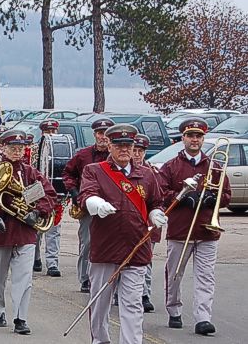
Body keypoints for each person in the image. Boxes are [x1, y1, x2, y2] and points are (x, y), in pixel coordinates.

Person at [78, 124, 166, 344]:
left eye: (128, 145)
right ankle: (100, 339)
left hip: (136, 248)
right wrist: (96, 204)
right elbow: (86, 195)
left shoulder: (146, 174)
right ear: (109, 145)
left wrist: (156, 214)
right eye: (119, 145)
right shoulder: (94, 170)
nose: (125, 150)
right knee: (100, 302)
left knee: (133, 304)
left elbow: (156, 201)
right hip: (105, 248)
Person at [0, 129, 57, 334]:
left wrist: (38, 212)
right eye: (13, 148)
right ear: (3, 148)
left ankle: (20, 318)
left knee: (24, 278)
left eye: (20, 148)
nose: (17, 151)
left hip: (25, 232)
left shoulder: (31, 173)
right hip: (1, 231)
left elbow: (49, 194)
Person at [159, 118, 230, 336]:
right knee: (175, 273)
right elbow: (161, 194)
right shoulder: (171, 166)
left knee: (206, 276)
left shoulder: (215, 165)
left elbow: (226, 195)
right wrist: (182, 198)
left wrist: (211, 198)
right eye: (191, 136)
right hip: (180, 230)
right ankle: (174, 310)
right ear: (183, 138)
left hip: (207, 230)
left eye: (198, 136)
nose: (195, 140)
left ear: (203, 139)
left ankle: (203, 318)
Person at [62, 118, 114, 293]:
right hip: (87, 206)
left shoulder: (117, 156)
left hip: (112, 206)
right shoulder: (82, 155)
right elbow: (68, 174)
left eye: (107, 134)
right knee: (88, 242)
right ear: (94, 135)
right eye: (100, 133)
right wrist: (74, 193)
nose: (103, 137)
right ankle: (85, 279)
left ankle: (108, 278)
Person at [131, 133, 159, 313]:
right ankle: (121, 292)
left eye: (141, 151)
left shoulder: (152, 173)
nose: (137, 154)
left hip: (147, 225)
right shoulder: (120, 172)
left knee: (146, 260)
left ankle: (144, 294)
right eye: (134, 150)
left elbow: (158, 198)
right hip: (128, 225)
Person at [32, 119, 63, 277]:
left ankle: (52, 263)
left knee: (54, 230)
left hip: (55, 195)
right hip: (38, 194)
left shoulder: (60, 149)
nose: (51, 134)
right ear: (42, 133)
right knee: (37, 228)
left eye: (53, 131)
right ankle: (35, 258)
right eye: (48, 132)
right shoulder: (34, 149)